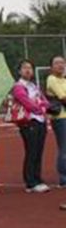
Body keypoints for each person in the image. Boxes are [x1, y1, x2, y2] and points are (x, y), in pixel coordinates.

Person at [11, 60, 50, 193]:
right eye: (24, 68)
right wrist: (41, 108)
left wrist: (42, 107)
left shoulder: (34, 86)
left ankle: (37, 178)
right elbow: (27, 103)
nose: (28, 70)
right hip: (28, 121)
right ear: (19, 71)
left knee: (39, 151)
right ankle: (30, 182)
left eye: (30, 68)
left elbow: (44, 101)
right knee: (31, 151)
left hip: (40, 120)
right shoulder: (18, 86)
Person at [45, 55, 66, 188]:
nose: (60, 65)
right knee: (64, 147)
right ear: (51, 67)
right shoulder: (51, 79)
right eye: (57, 63)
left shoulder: (64, 80)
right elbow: (62, 97)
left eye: (62, 62)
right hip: (60, 118)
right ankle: (63, 178)